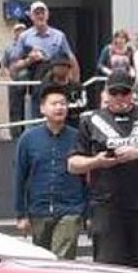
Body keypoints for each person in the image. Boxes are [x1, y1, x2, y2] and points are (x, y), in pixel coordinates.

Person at [69, 69, 138, 270]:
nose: (119, 98)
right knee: (108, 269)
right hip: (107, 207)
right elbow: (73, 163)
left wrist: (137, 153)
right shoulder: (90, 120)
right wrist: (97, 161)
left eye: (124, 93)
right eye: (114, 93)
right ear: (105, 94)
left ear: (133, 93)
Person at [15, 84, 87, 259]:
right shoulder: (28, 139)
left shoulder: (78, 137)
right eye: (54, 104)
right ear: (42, 108)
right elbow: (20, 177)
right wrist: (21, 214)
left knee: (62, 259)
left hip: (70, 208)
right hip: (39, 210)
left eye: (63, 104)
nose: (59, 107)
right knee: (43, 260)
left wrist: (87, 212)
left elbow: (87, 177)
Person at [9, 1, 77, 118]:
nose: (40, 16)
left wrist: (75, 82)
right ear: (31, 17)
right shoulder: (24, 37)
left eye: (42, 12)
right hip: (37, 84)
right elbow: (13, 67)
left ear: (47, 15)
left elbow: (71, 59)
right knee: (37, 118)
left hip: (57, 83)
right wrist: (29, 60)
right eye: (36, 13)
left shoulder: (59, 36)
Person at [2, 21, 29, 135]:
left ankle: (25, 132)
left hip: (28, 82)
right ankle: (14, 134)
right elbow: (4, 64)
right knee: (13, 109)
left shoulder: (30, 47)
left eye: (22, 30)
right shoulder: (9, 48)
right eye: (18, 30)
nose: (20, 33)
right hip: (13, 82)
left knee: (26, 109)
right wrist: (8, 77)